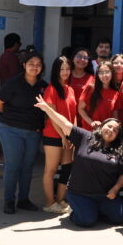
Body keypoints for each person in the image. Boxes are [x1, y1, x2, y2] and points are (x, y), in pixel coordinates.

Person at [34, 96, 123, 228]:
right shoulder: (85, 137)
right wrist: (47, 109)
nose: (111, 130)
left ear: (118, 135)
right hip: (79, 193)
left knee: (121, 218)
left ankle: (93, 210)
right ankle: (78, 211)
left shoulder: (120, 150)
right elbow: (65, 124)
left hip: (104, 196)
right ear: (102, 126)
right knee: (87, 221)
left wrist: (116, 188)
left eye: (115, 130)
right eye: (109, 126)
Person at [0, 50, 47, 214]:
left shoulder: (43, 86)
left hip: (33, 132)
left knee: (27, 166)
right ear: (24, 65)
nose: (35, 67)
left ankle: (23, 199)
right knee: (13, 165)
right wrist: (10, 118)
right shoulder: (13, 83)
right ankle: (9, 200)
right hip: (11, 130)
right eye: (31, 64)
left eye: (38, 65)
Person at [41, 56, 77, 214]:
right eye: (62, 69)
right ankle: (49, 203)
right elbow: (51, 115)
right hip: (53, 135)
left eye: (67, 69)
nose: (65, 72)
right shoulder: (51, 89)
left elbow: (74, 114)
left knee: (67, 168)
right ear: (56, 71)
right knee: (51, 170)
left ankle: (60, 200)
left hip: (68, 136)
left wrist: (74, 133)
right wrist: (63, 135)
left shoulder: (70, 89)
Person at [0, 32, 21, 164]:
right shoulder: (11, 57)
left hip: (4, 95)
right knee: (7, 126)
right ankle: (4, 155)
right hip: (11, 97)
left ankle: (2, 155)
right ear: (15, 44)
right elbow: (16, 77)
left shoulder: (3, 56)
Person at [78, 61, 118, 131]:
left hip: (105, 133)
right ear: (97, 74)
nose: (104, 75)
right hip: (88, 131)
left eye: (107, 72)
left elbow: (115, 117)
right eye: (101, 73)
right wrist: (92, 123)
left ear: (112, 73)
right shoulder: (90, 88)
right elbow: (80, 109)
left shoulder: (116, 93)